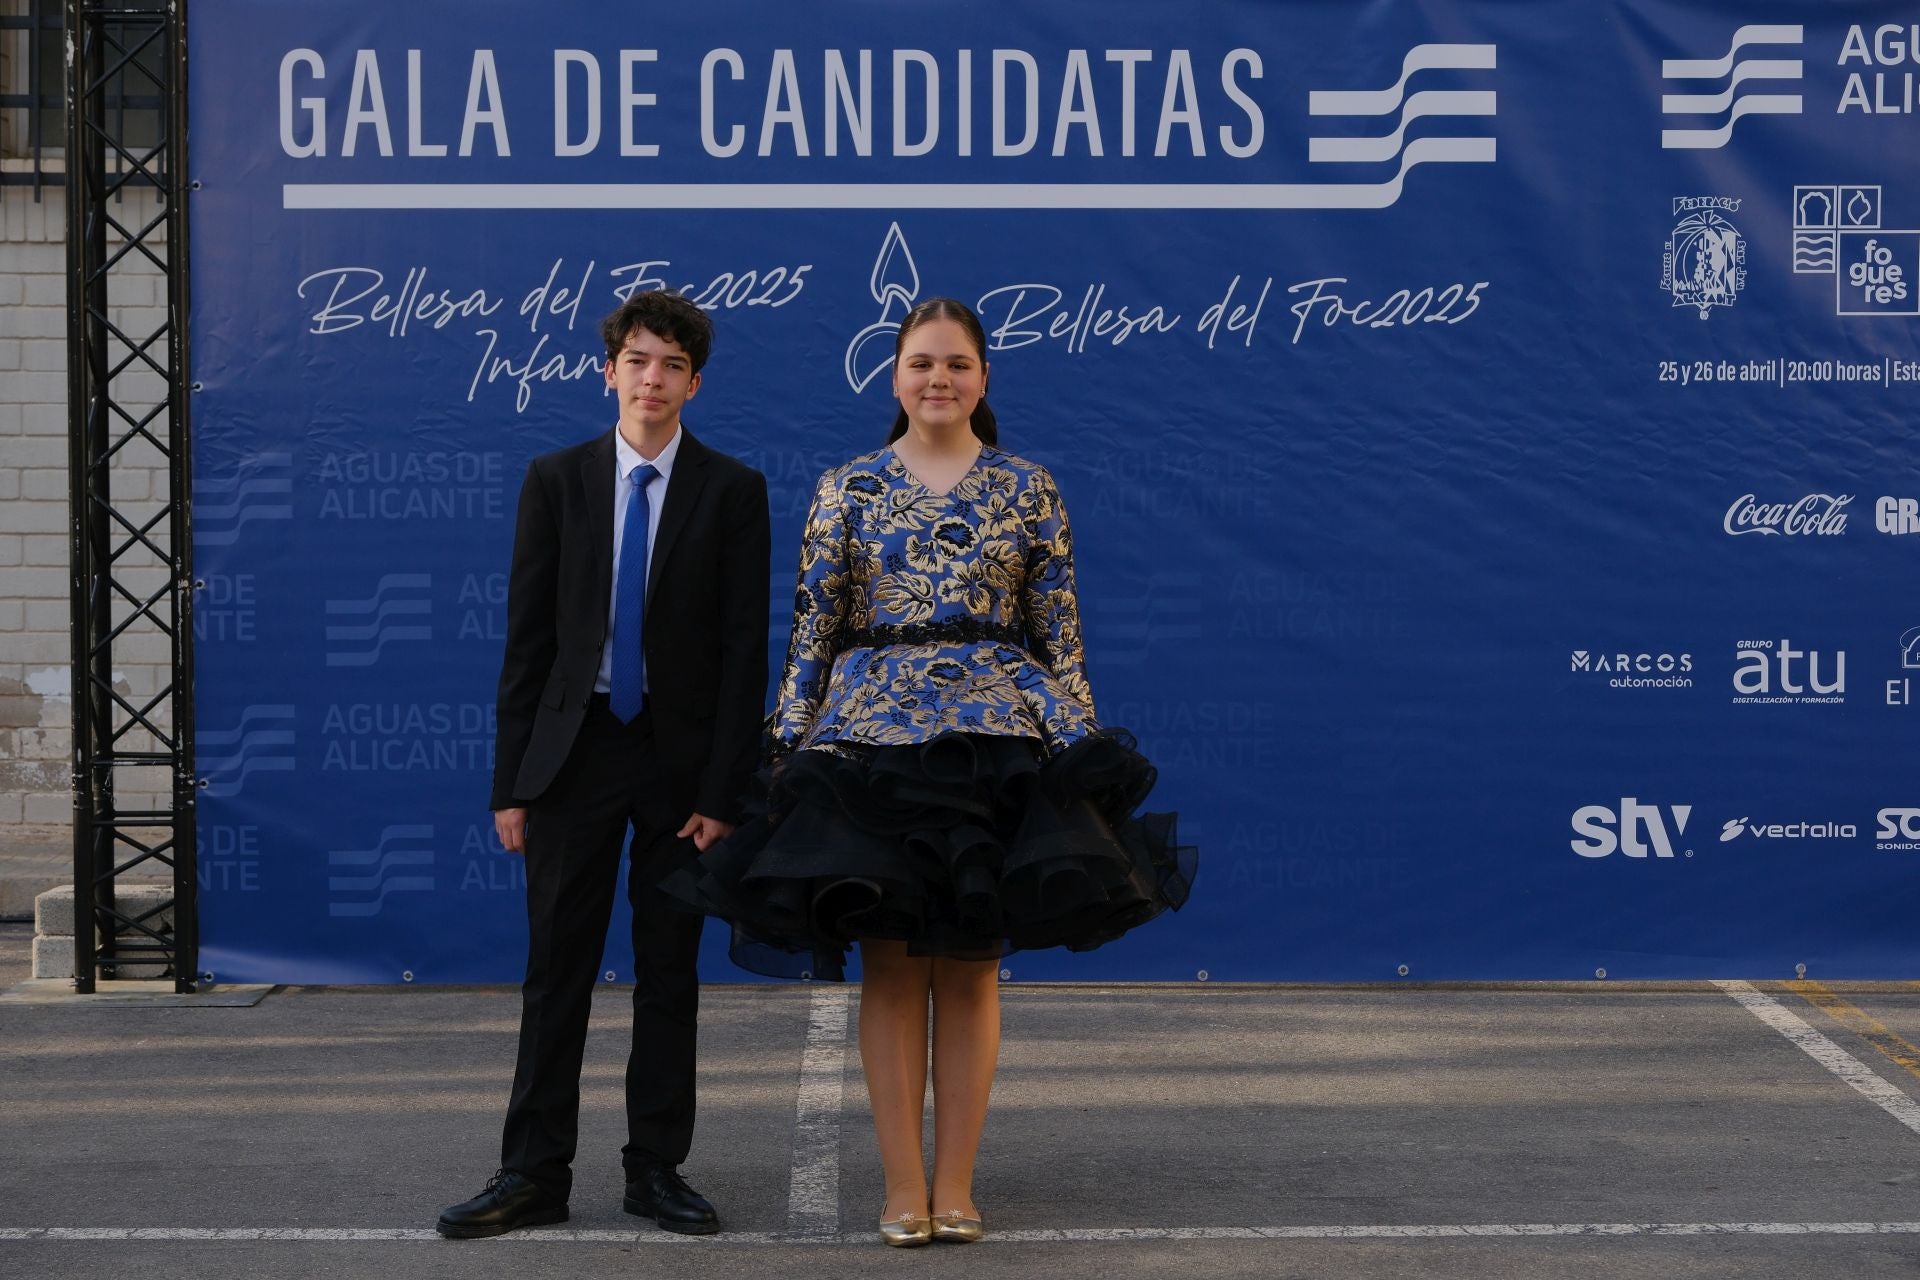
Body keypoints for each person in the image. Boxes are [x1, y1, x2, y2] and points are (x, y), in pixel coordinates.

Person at [670, 297, 1196, 1246]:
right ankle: (902, 1187)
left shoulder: (1029, 488)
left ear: (984, 377)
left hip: (999, 743)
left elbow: (1061, 634)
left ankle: (956, 1186)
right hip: (872, 744)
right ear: (894, 376)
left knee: (972, 970)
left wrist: (1081, 750)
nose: (938, 379)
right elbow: (813, 631)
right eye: (921, 363)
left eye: (956, 363)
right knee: (891, 968)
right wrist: (787, 748)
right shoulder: (847, 488)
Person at [438, 292, 770, 1239]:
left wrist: (723, 792)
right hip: (573, 753)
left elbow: (745, 651)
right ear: (608, 371)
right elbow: (528, 642)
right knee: (557, 970)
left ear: (694, 384)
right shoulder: (556, 480)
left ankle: (655, 1170)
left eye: (672, 366)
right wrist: (512, 782)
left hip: (678, 762)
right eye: (637, 361)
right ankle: (532, 1174)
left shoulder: (732, 490)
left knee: (670, 972)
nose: (652, 379)